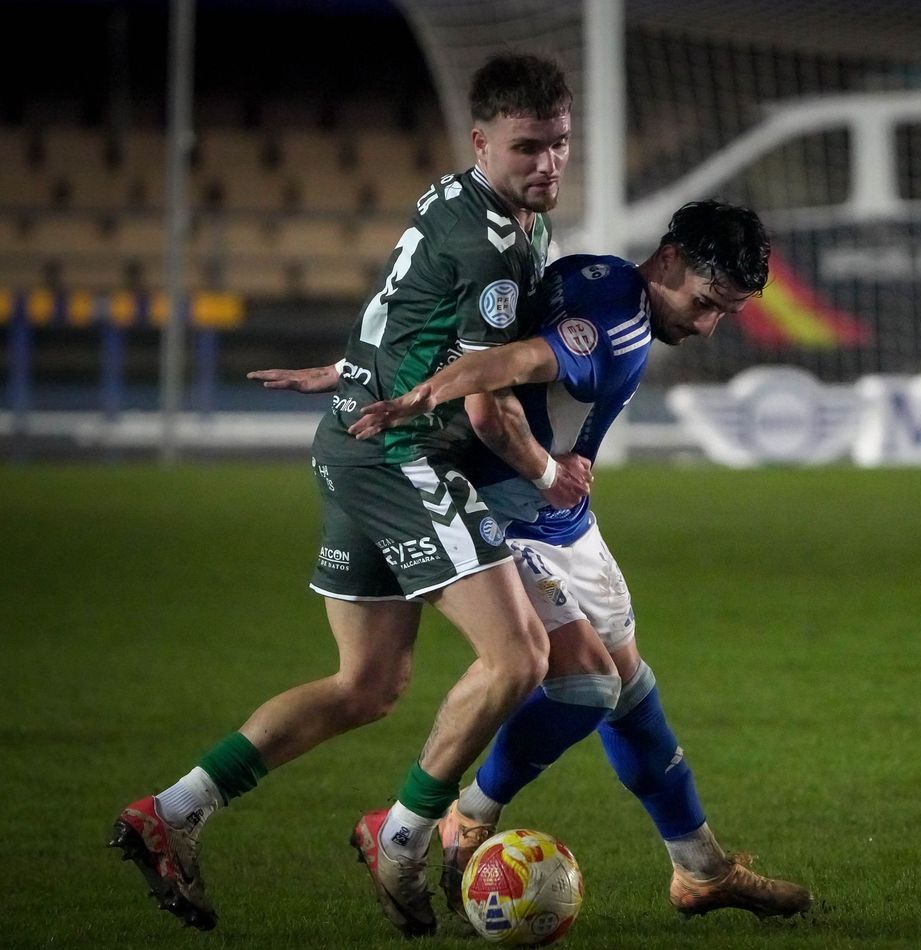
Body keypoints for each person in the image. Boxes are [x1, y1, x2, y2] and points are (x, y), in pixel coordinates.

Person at [109, 54, 587, 937]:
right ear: (481, 140)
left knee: (365, 684)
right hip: (400, 455)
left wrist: (349, 369)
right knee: (519, 658)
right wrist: (549, 473)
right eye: (527, 148)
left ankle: (169, 813)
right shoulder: (491, 243)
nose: (547, 165)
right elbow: (483, 404)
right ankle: (401, 836)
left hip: (351, 440)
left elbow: (406, 311)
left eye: (559, 144)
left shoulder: (460, 200)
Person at [256, 201, 813, 921]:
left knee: (632, 687)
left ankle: (700, 870)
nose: (707, 324)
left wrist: (350, 367)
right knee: (585, 687)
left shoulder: (598, 277)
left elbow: (478, 331)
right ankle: (460, 817)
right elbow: (511, 359)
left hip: (566, 520)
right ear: (670, 259)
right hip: (514, 516)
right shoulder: (612, 319)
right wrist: (416, 397)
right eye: (707, 303)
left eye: (725, 314)